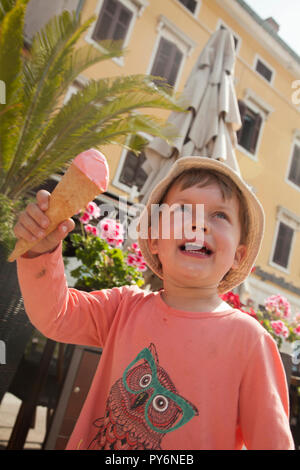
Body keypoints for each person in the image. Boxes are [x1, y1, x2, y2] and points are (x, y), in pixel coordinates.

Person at [14, 156, 294, 450]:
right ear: (155, 240)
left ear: (238, 256)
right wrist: (41, 251)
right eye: (184, 209)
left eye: (220, 215)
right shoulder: (123, 307)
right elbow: (55, 315)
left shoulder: (250, 341)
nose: (199, 223)